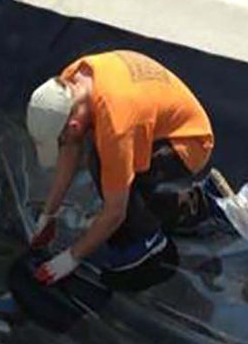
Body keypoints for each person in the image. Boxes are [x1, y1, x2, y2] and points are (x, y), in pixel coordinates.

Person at [25, 50, 235, 285]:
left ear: (73, 125)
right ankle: (202, 201)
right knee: (114, 175)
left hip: (188, 141)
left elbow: (116, 211)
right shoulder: (67, 85)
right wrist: (49, 213)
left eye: (60, 140)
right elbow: (70, 148)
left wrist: (69, 259)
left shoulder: (116, 125)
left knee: (116, 186)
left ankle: (147, 241)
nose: (63, 146)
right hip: (156, 121)